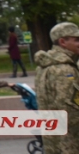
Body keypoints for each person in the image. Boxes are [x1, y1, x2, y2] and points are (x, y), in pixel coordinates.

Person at [34, 22, 79, 154]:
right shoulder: (64, 69)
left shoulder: (43, 66)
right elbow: (69, 108)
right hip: (69, 142)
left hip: (52, 138)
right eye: (76, 40)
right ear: (62, 42)